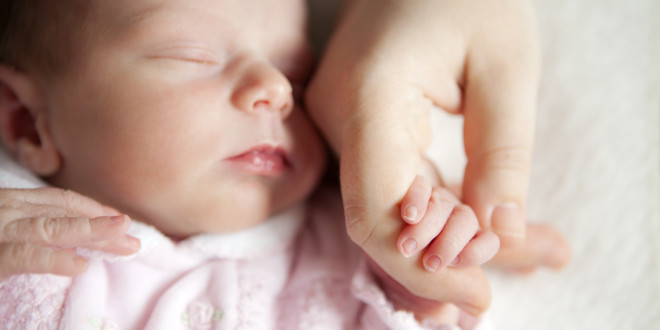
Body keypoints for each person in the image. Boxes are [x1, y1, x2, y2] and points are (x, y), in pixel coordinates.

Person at [0, 0, 500, 328]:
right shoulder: (15, 241)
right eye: (193, 56)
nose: (277, 90)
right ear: (27, 121)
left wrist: (414, 284)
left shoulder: (352, 241)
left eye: (297, 75)